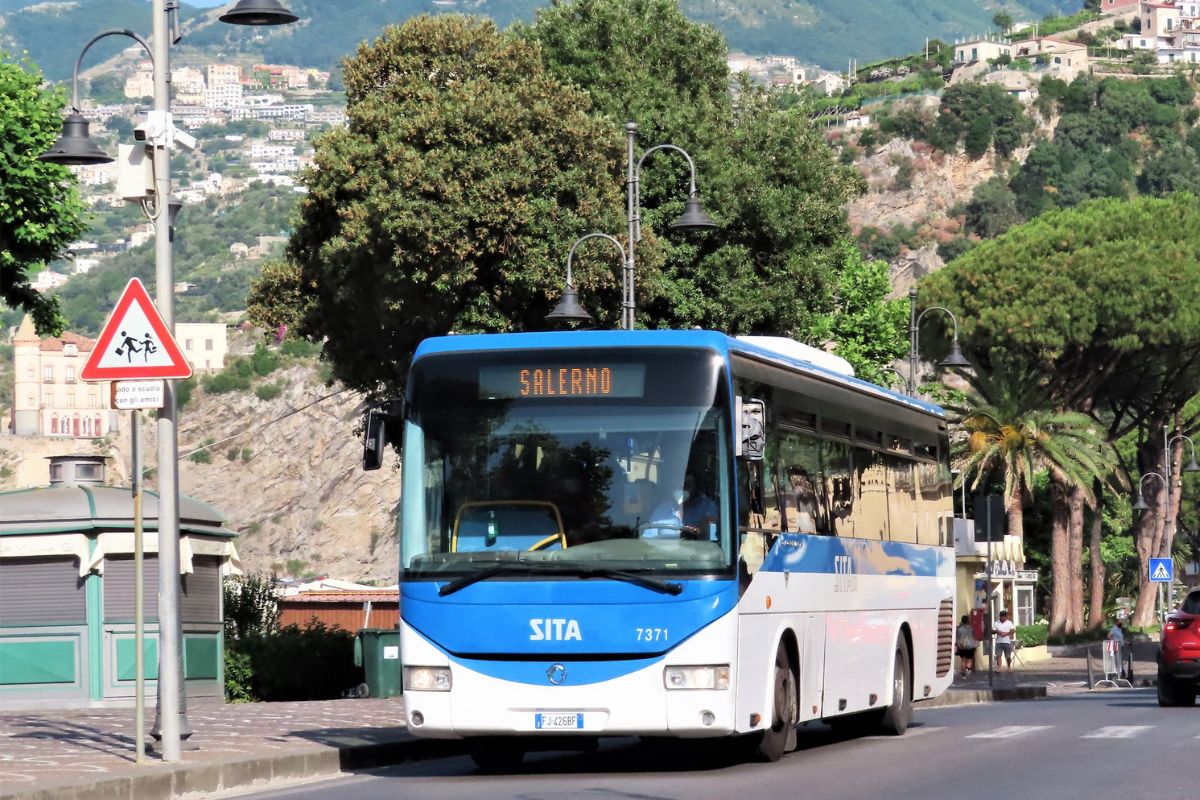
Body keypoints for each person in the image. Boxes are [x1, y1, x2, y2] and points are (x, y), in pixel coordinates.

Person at [644, 473, 717, 539]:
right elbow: (647, 539)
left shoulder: (707, 506)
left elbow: (713, 536)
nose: (681, 488)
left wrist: (699, 532)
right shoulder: (662, 509)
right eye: (677, 484)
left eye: (686, 484)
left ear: (695, 487)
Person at [955, 614, 976, 679]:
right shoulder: (971, 628)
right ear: (968, 621)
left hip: (962, 646)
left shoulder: (959, 629)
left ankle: (963, 675)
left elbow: (956, 637)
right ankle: (967, 668)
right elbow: (974, 636)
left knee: (963, 660)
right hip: (970, 646)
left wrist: (957, 644)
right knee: (969, 660)